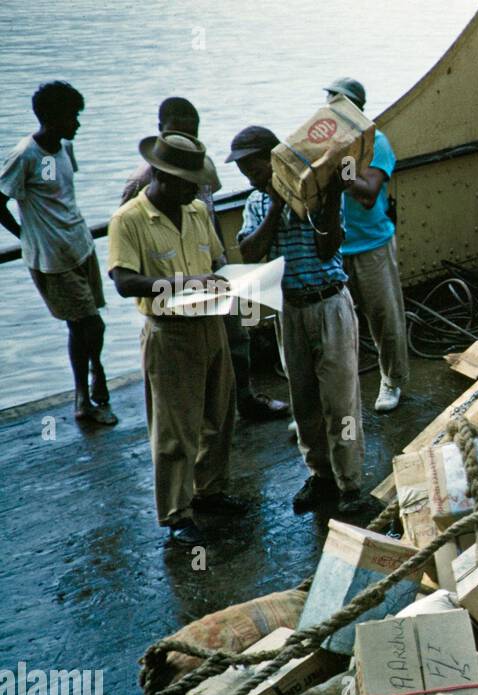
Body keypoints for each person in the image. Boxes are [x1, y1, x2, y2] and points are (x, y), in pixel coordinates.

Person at [107, 132, 246, 546]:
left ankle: (210, 491)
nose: (198, 190)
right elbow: (124, 281)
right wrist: (182, 285)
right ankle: (175, 513)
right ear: (164, 178)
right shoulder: (129, 220)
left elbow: (218, 258)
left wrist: (227, 278)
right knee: (174, 430)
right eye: (190, 183)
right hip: (170, 333)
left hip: (211, 325)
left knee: (219, 416)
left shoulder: (199, 211)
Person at [228, 125, 368, 517]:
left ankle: (351, 483)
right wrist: (275, 204)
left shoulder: (318, 191)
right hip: (289, 309)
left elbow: (327, 250)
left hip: (328, 304)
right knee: (304, 402)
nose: (246, 174)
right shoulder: (256, 203)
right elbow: (251, 251)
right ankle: (321, 476)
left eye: (251, 165)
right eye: (242, 168)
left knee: (341, 401)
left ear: (272, 158)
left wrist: (333, 197)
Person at [122, 97, 289, 423]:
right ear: (161, 132)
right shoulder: (140, 183)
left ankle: (243, 400)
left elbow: (208, 216)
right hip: (174, 289)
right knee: (188, 358)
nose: (188, 141)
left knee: (237, 339)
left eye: (192, 134)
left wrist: (221, 262)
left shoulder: (202, 169)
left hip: (212, 272)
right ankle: (202, 415)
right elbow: (131, 245)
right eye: (178, 133)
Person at [0, 81, 116, 426]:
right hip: (52, 258)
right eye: (72, 117)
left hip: (80, 246)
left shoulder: (64, 147)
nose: (77, 124)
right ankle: (93, 386)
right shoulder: (25, 156)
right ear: (50, 117)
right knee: (90, 324)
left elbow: (62, 195)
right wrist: (27, 235)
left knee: (82, 326)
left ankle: (87, 393)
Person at [326, 77, 407, 413]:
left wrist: (339, 169)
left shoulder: (378, 143)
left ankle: (393, 381)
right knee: (335, 325)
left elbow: (369, 192)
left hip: (372, 245)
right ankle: (334, 395)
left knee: (384, 318)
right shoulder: (324, 143)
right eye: (330, 102)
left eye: (339, 103)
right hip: (334, 247)